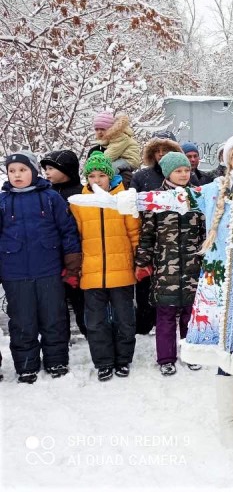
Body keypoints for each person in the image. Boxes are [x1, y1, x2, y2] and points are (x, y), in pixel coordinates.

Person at [71, 134, 233, 448]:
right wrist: (125, 201)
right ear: (227, 161)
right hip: (221, 289)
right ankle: (228, 422)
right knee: (227, 353)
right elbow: (175, 199)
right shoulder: (213, 191)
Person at [1, 151, 81, 383]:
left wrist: (72, 263)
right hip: (14, 273)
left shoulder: (50, 198)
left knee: (53, 318)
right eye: (12, 171)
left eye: (23, 170)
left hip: (49, 269)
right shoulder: (3, 201)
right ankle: (26, 365)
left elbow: (67, 231)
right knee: (22, 320)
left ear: (34, 171)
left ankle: (56, 361)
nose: (17, 175)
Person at [69, 152, 140, 381]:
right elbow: (75, 238)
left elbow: (135, 234)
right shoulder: (79, 203)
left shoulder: (124, 199)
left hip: (122, 271)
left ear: (110, 177)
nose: (97, 180)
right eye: (92, 176)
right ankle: (103, 362)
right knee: (96, 322)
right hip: (91, 273)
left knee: (124, 319)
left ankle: (123, 359)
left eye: (101, 175)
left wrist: (139, 262)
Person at [134, 152, 206, 376]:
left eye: (186, 170)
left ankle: (190, 353)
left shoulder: (198, 197)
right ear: (167, 173)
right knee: (165, 315)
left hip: (193, 266)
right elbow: (146, 234)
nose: (184, 174)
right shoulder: (156, 201)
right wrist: (142, 262)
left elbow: (206, 231)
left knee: (190, 313)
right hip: (165, 267)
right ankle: (166, 357)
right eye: (178, 170)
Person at [130, 134, 183, 336]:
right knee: (146, 281)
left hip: (178, 238)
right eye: (157, 150)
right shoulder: (141, 176)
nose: (161, 154)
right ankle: (144, 323)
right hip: (149, 235)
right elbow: (133, 204)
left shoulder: (185, 174)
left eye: (165, 150)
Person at [40, 149, 87, 337]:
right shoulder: (45, 194)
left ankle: (90, 334)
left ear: (66, 169)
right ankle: (61, 338)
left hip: (78, 256)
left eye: (51, 168)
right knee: (57, 304)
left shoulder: (81, 194)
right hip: (53, 257)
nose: (47, 172)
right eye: (45, 168)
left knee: (81, 301)